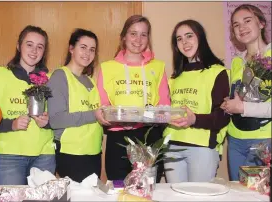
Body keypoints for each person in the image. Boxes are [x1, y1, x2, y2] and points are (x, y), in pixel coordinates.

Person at [97, 15, 170, 181]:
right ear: (123, 36)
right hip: (118, 137)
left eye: (144, 34)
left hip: (149, 135)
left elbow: (165, 105)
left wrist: (153, 115)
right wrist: (105, 116)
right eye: (133, 33)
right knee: (118, 188)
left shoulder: (158, 67)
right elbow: (102, 106)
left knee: (148, 188)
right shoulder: (107, 67)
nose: (138, 39)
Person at [0, 25, 55, 185]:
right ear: (18, 46)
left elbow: (59, 117)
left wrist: (48, 122)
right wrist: (11, 124)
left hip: (44, 156)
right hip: (10, 156)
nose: (34, 51)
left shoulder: (51, 79)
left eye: (40, 47)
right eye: (29, 44)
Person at [163, 19, 230, 183]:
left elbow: (222, 117)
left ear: (200, 37)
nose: (184, 42)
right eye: (179, 39)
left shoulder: (218, 73)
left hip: (202, 148)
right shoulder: (174, 78)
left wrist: (194, 119)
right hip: (172, 147)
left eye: (189, 36)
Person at [220, 4, 271, 181]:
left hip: (264, 139)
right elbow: (238, 97)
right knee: (238, 192)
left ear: (261, 23)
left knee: (255, 194)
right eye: (236, 24)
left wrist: (242, 107)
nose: (241, 27)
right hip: (235, 139)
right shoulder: (236, 62)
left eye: (247, 21)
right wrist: (229, 104)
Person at [47, 28, 105, 183]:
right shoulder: (60, 76)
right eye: (83, 47)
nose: (88, 53)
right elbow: (56, 119)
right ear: (71, 48)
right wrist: (94, 114)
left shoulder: (90, 81)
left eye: (92, 49)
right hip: (71, 154)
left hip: (93, 153)